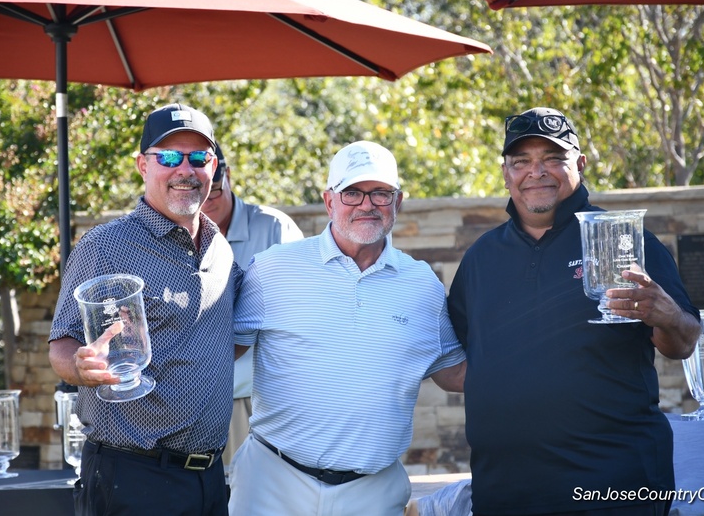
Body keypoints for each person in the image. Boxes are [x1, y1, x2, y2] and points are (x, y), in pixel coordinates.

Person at [447, 107, 701, 516]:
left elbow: (684, 342)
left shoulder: (625, 241)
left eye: (552, 158)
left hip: (613, 489)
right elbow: (458, 358)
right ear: (505, 172)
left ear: (580, 164)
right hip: (505, 492)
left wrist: (666, 313)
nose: (536, 172)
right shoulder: (481, 257)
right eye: (521, 161)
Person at [228, 140, 467, 516]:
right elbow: (224, 349)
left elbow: (454, 373)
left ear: (398, 202)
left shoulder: (422, 285)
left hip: (372, 492)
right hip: (272, 482)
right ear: (329, 201)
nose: (366, 204)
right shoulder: (273, 268)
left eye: (380, 193)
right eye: (352, 192)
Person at [48, 103, 241, 516]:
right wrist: (81, 367)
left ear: (213, 167)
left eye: (198, 157)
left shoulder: (220, 250)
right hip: (132, 478)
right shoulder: (105, 246)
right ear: (142, 165)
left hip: (209, 479)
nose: (185, 170)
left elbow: (227, 339)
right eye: (169, 157)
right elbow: (61, 345)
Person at [200, 142, 304, 466]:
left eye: (215, 190)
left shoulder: (276, 229)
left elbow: (300, 314)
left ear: (228, 175)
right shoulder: (174, 232)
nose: (207, 201)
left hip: (259, 404)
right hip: (192, 406)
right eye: (200, 193)